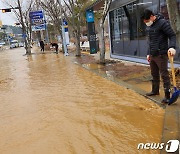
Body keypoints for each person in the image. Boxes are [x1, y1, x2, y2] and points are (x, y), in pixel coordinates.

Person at [141, 9, 176, 104]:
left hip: (161, 54)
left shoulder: (163, 23)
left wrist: (172, 47)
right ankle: (155, 91)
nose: (146, 23)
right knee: (154, 74)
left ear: (152, 16)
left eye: (147, 21)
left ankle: (167, 96)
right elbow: (150, 41)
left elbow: (172, 35)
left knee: (164, 75)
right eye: (145, 22)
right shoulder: (149, 26)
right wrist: (148, 53)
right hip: (152, 54)